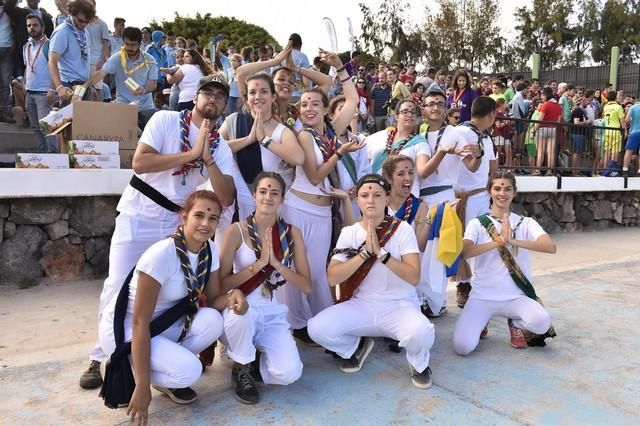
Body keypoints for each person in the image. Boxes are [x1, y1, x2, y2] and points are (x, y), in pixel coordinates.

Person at [78, 74, 236, 390]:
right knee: (117, 284)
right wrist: (190, 156)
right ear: (195, 97)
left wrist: (208, 161)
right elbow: (141, 162)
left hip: (175, 225)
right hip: (139, 214)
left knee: (168, 292)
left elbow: (227, 194)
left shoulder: (218, 145)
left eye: (221, 96)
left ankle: (159, 362)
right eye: (209, 93)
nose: (214, 99)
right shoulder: (165, 120)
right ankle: (101, 357)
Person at [99, 190, 245, 419]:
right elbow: (139, 322)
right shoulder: (162, 255)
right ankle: (126, 365)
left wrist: (233, 296)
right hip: (128, 329)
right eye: (199, 216)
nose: (205, 224)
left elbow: (214, 301)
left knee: (214, 320)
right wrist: (142, 386)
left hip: (164, 324)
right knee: (190, 371)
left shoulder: (209, 250)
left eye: (213, 218)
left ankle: (156, 367)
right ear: (184, 217)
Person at [307, 174, 435, 389]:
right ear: (357, 200)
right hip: (362, 305)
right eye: (364, 195)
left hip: (399, 304)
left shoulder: (402, 229)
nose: (370, 200)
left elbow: (413, 277)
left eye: (377, 195)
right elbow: (333, 276)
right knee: (316, 328)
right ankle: (356, 347)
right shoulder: (349, 233)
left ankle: (419, 364)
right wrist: (365, 254)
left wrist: (382, 255)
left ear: (386, 199)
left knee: (420, 333)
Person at [278, 50, 361, 343]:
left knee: (317, 271)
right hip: (298, 208)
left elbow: (352, 100)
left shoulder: (330, 132)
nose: (308, 107)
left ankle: (320, 323)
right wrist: (340, 151)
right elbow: (314, 176)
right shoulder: (302, 135)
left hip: (324, 212)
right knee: (296, 268)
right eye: (303, 104)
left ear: (326, 109)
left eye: (315, 103)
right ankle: (296, 325)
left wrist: (341, 68)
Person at [219, 172, 312, 404]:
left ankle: (253, 361)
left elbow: (306, 285)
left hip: (273, 312)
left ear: (281, 199)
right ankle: (241, 368)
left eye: (274, 193)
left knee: (289, 373)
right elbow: (220, 284)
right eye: (263, 191)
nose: (268, 197)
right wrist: (258, 265)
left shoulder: (291, 234)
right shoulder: (236, 231)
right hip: (240, 307)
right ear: (254, 195)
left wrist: (277, 265)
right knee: (241, 316)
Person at [453, 171, 556, 355]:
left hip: (515, 297)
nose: (502, 193)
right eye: (497, 188)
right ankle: (481, 323)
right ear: (489, 192)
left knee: (541, 322)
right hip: (482, 297)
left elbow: (550, 247)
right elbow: (465, 252)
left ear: (514, 193)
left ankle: (515, 322)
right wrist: (497, 242)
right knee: (462, 347)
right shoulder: (477, 223)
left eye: (508, 189)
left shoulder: (525, 222)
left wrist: (513, 241)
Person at [220, 72, 304, 218]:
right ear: (246, 99)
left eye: (264, 92)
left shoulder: (282, 130)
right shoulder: (234, 121)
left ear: (273, 97)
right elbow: (213, 148)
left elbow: (298, 158)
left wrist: (264, 140)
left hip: (272, 206)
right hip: (239, 204)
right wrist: (249, 139)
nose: (258, 97)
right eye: (252, 92)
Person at [453, 96, 498, 308]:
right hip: (465, 199)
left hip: (483, 196)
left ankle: (482, 285)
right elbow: (470, 165)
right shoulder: (460, 133)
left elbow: (492, 168)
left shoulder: (486, 138)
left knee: (485, 244)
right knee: (464, 243)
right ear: (491, 114)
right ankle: (463, 285)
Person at [235, 43, 331, 133]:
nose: (286, 83)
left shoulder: (297, 110)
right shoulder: (259, 107)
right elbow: (240, 73)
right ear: (271, 84)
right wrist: (274, 61)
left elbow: (326, 82)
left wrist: (295, 68)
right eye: (281, 79)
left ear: (294, 87)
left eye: (291, 81)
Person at [83, 26, 158, 130]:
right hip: (124, 105)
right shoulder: (117, 58)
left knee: (149, 137)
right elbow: (100, 73)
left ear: (140, 44)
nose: (130, 48)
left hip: (146, 106)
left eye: (133, 45)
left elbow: (153, 84)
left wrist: (144, 90)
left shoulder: (150, 60)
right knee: (125, 138)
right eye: (127, 44)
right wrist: (84, 86)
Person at [367, 99, 427, 198]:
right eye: (405, 112)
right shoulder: (380, 136)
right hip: (377, 193)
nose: (409, 114)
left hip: (404, 197)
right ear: (396, 116)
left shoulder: (420, 143)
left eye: (413, 112)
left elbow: (423, 171)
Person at [48, 0, 95, 106]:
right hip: (68, 85)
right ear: (72, 14)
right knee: (69, 122)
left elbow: (85, 61)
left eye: (86, 22)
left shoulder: (85, 33)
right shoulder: (63, 31)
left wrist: (89, 85)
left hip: (83, 85)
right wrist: (59, 87)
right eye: (80, 20)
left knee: (84, 122)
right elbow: (52, 60)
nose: (83, 24)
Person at [22, 14, 55, 152]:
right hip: (30, 93)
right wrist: (24, 84)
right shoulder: (26, 46)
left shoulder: (48, 45)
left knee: (46, 128)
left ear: (42, 27)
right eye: (29, 25)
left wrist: (52, 89)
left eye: (35, 25)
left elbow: (56, 68)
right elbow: (28, 66)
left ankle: (53, 157)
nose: (31, 28)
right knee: (36, 128)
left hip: (43, 93)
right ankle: (43, 157)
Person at [533, 87, 562, 175]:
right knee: (550, 152)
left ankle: (538, 170)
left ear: (547, 95)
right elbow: (558, 120)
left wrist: (533, 130)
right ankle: (549, 170)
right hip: (553, 129)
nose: (541, 97)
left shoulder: (546, 105)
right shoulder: (558, 106)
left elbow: (540, 120)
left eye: (543, 95)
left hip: (542, 129)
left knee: (540, 151)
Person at [85, 0, 109, 101]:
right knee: (84, 89)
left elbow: (106, 45)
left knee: (97, 90)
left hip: (96, 62)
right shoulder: (82, 23)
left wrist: (102, 60)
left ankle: (97, 114)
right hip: (83, 62)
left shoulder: (102, 24)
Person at [602, 90, 625, 169]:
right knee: (615, 151)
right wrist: (625, 131)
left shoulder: (605, 107)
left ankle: (604, 168)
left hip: (607, 130)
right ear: (615, 98)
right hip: (615, 130)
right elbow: (622, 120)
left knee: (607, 151)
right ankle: (611, 169)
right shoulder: (618, 107)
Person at [623, 100, 640, 176]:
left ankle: (625, 170)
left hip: (634, 132)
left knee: (629, 151)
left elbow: (627, 120)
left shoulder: (632, 107)